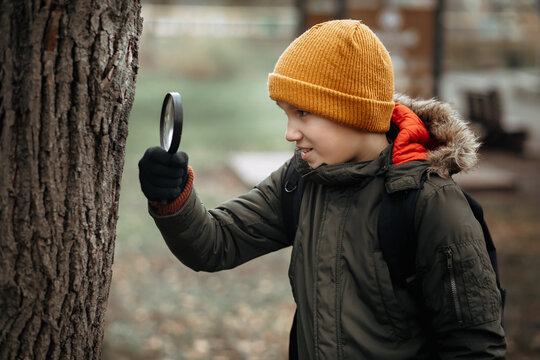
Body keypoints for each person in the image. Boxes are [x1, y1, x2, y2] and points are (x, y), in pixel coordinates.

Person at [138, 20, 506, 359]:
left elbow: (474, 345)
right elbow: (216, 243)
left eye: (302, 113)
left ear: (352, 110)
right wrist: (172, 196)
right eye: (285, 114)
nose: (290, 132)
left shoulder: (430, 204)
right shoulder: (299, 181)